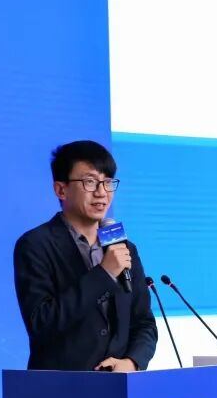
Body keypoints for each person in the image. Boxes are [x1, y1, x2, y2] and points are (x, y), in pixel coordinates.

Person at [13, 140, 157, 371]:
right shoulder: (35, 245)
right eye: (90, 182)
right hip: (61, 385)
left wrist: (132, 362)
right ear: (61, 189)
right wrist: (104, 274)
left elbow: (144, 322)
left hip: (119, 385)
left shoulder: (123, 247)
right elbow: (41, 323)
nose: (101, 193)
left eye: (107, 182)